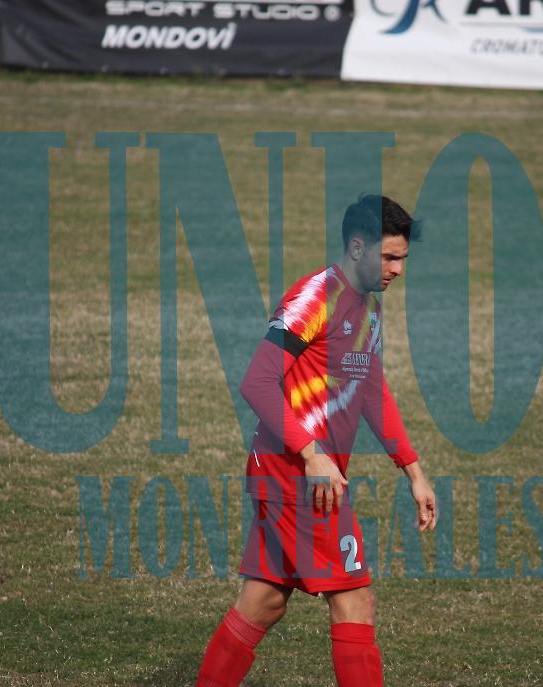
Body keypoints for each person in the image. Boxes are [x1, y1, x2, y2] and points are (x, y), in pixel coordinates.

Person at [195, 194, 437, 687]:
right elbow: (257, 382)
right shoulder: (315, 298)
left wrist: (413, 471)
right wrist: (311, 455)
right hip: (297, 478)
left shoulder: (368, 311)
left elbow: (372, 393)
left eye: (402, 259)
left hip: (298, 477)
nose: (398, 270)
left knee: (263, 602)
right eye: (389, 257)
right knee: (355, 601)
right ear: (357, 247)